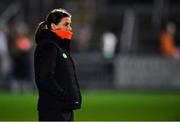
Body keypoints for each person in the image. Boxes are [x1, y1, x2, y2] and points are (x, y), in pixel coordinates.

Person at [34, 8, 82, 121]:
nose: (70, 28)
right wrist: (66, 97)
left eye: (70, 25)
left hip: (63, 109)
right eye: (66, 24)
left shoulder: (59, 47)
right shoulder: (49, 46)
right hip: (54, 110)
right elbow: (46, 78)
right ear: (54, 26)